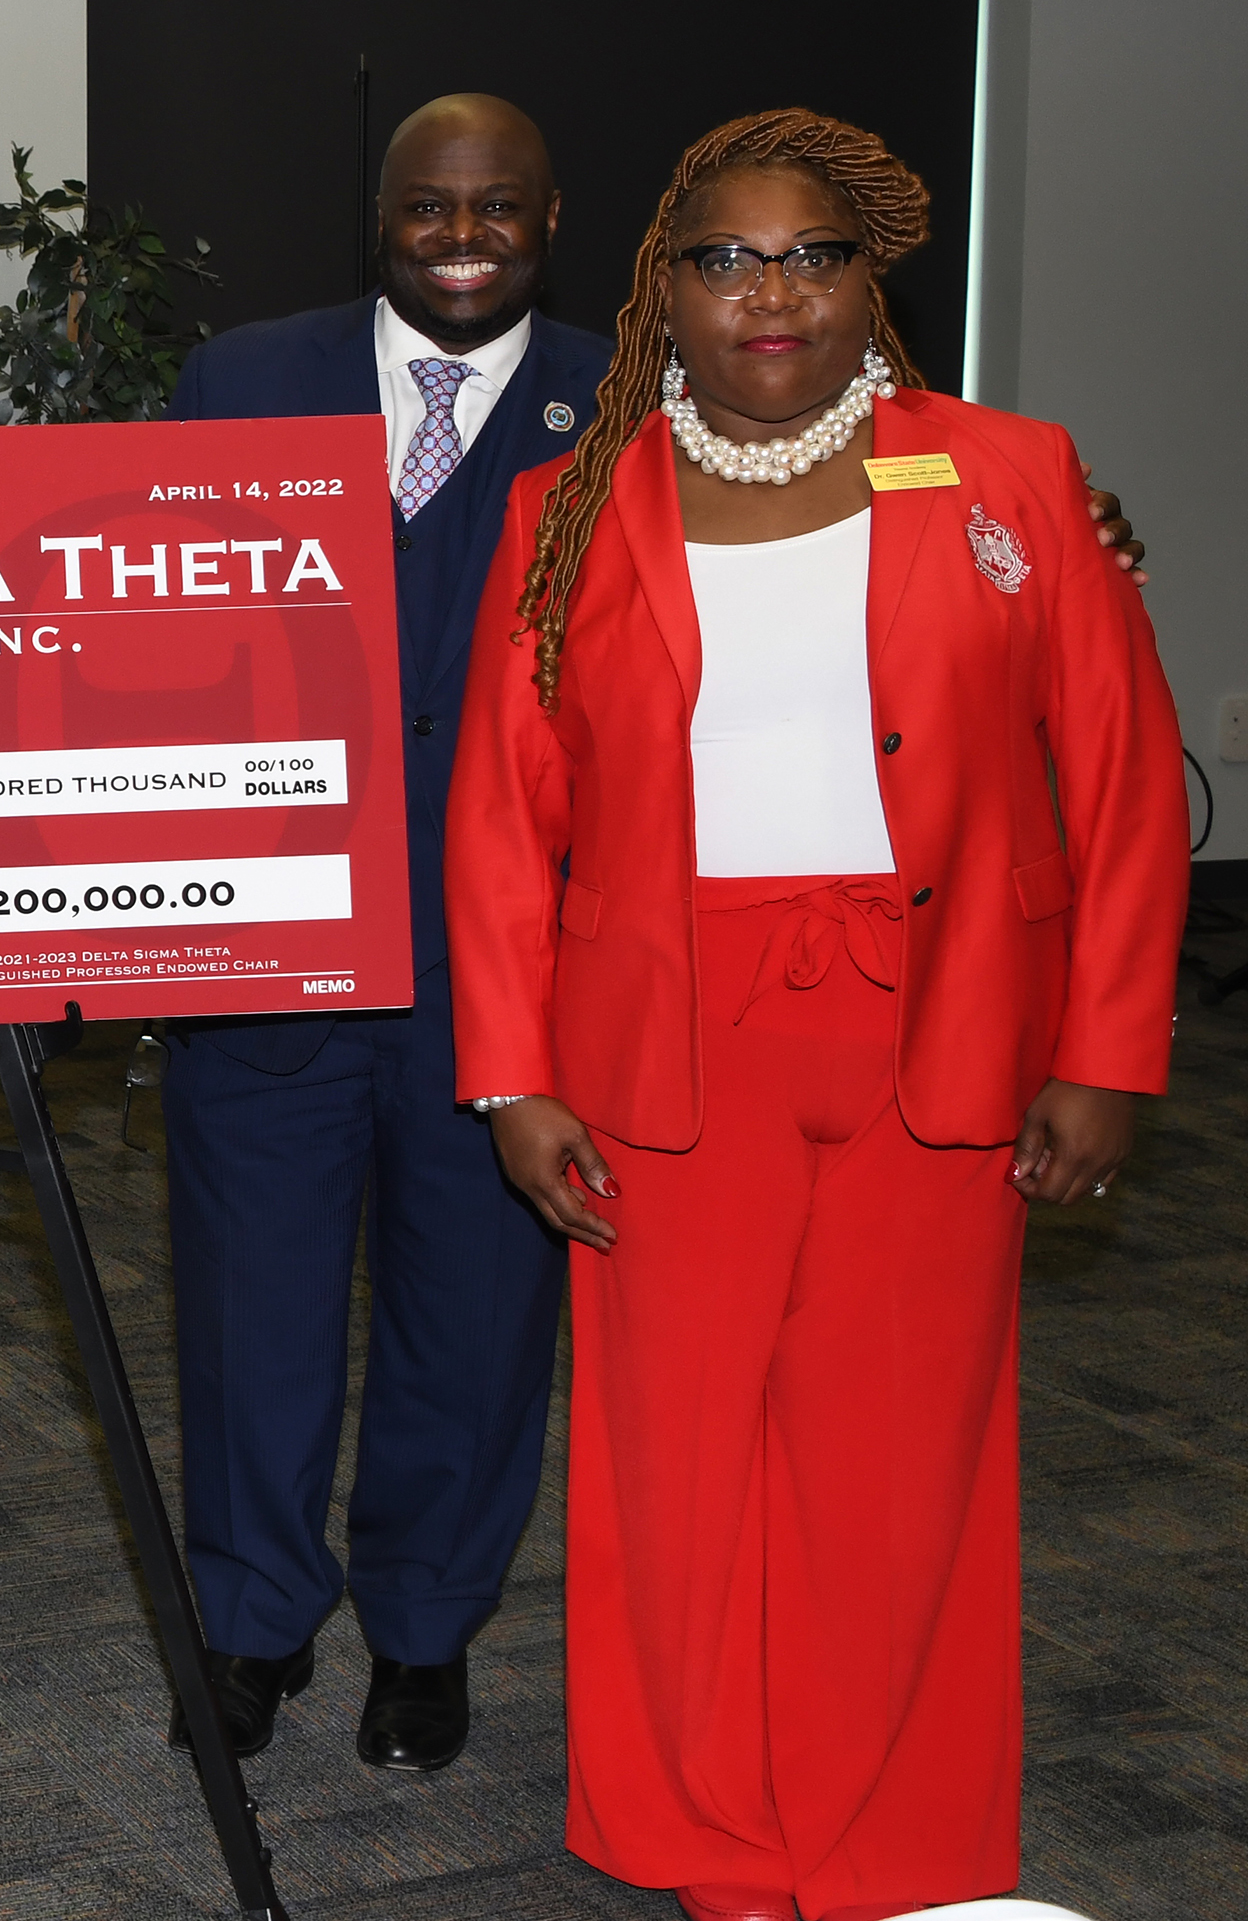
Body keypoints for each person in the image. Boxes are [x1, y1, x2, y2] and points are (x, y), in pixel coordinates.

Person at [450, 110, 1182, 1921]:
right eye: (723, 259)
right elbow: (498, 813)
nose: (768, 291)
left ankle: (890, 1853)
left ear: (870, 282)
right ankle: (709, 1844)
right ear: (663, 292)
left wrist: (1107, 1050)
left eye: (812, 255)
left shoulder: (1013, 477)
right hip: (665, 1042)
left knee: (897, 1462)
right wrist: (511, 1077)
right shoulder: (569, 511)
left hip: (945, 1026)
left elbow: (1125, 781)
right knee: (676, 1473)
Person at [153, 95, 611, 1770]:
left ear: (550, 219)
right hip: (275, 945)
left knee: (477, 1314)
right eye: (430, 207)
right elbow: (150, 637)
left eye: (497, 208)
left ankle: (426, 1629)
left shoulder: (632, 406)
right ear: (381, 215)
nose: (462, 236)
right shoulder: (244, 379)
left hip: (513, 971)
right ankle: (256, 1622)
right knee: (249, 1302)